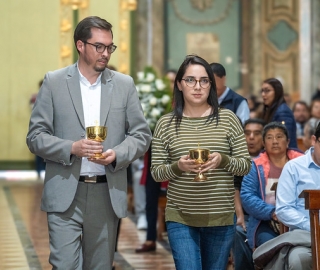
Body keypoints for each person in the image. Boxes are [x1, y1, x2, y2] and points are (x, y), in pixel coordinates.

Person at [26, 16, 152, 270]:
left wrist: (116, 153)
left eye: (110, 47)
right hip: (65, 192)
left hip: (106, 193)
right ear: (80, 45)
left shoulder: (124, 85)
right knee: (64, 266)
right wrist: (71, 148)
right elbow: (35, 136)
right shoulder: (54, 82)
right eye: (99, 46)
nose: (105, 53)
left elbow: (142, 135)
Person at [150, 55, 251, 270]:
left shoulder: (228, 119)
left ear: (211, 85)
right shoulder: (165, 124)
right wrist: (179, 167)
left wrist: (222, 160)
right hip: (181, 217)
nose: (198, 86)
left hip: (220, 218)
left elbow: (245, 164)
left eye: (204, 80)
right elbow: (157, 172)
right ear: (179, 84)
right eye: (190, 80)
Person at [240, 122, 303, 252]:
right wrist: (272, 213)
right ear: (263, 143)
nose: (275, 141)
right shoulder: (255, 166)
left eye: (279, 137)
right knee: (272, 247)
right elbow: (247, 196)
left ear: (288, 141)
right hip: (266, 222)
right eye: (269, 137)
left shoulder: (301, 164)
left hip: (299, 220)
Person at [135, 69, 176, 253]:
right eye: (167, 81)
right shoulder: (154, 102)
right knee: (150, 199)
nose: (170, 85)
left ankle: (177, 240)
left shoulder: (181, 105)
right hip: (154, 156)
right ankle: (150, 238)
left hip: (175, 159)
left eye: (173, 81)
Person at [272, 122, 320, 269]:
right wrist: (313, 227)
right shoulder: (294, 168)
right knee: (299, 259)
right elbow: (284, 209)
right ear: (314, 140)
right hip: (306, 238)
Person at [233, 118, 265, 270]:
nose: (251, 137)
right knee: (238, 231)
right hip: (245, 215)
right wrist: (240, 217)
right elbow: (235, 188)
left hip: (267, 214)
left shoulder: (271, 159)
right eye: (247, 133)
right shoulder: (238, 159)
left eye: (257, 133)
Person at [259, 78, 298, 148]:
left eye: (267, 91)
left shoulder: (283, 112)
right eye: (262, 91)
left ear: (277, 92)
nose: (263, 94)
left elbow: (284, 139)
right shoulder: (272, 109)